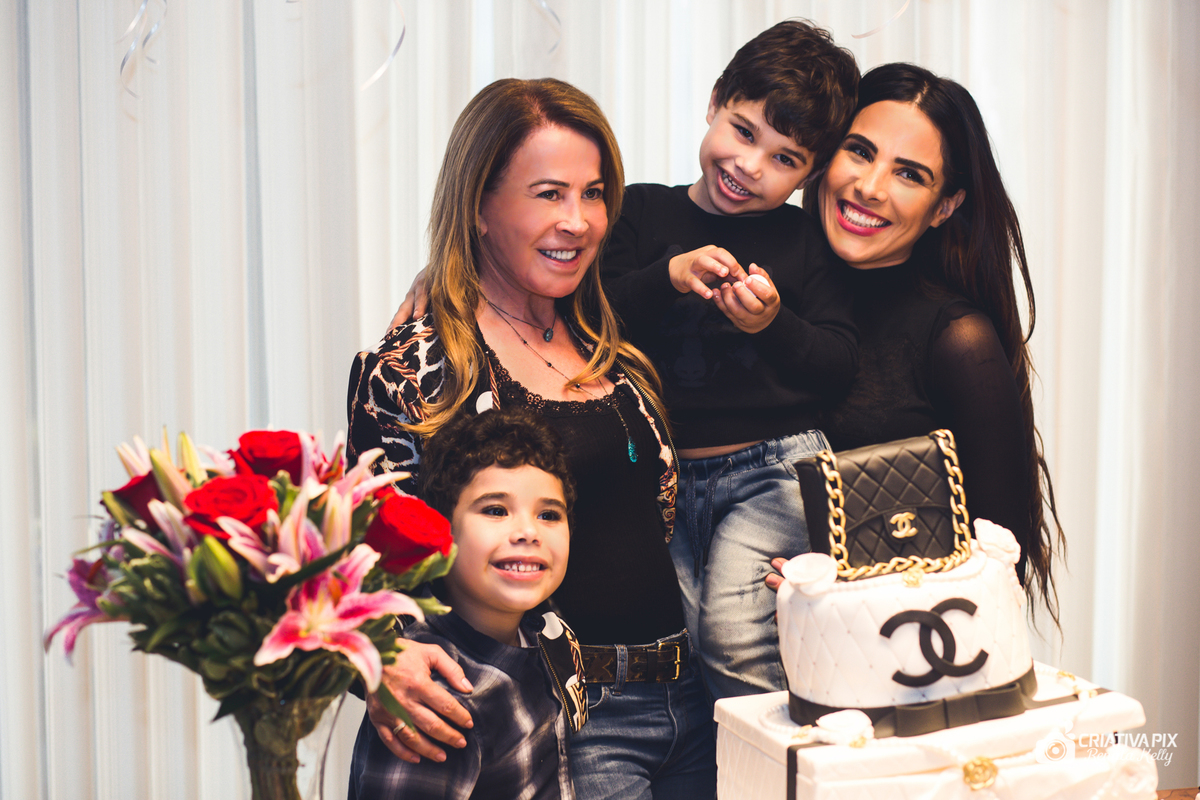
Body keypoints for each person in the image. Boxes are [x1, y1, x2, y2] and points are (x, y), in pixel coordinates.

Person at [347, 78, 716, 799]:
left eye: (593, 194)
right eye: (549, 194)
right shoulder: (419, 370)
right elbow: (363, 561)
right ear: (479, 207)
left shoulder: (615, 346)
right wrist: (381, 659)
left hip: (691, 702)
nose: (577, 221)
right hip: (571, 715)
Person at [598, 19, 859, 700]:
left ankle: (788, 758)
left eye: (784, 159)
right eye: (743, 132)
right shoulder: (639, 212)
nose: (750, 166)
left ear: (810, 174)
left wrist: (773, 324)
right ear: (715, 101)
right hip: (663, 479)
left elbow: (838, 362)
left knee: (733, 639)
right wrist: (669, 274)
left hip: (776, 471)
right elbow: (593, 322)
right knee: (685, 650)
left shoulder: (805, 239)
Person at [766, 63, 1063, 615]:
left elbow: (1001, 568)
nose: (870, 187)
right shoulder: (759, 291)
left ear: (944, 206)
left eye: (909, 174)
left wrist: (842, 587)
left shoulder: (958, 342)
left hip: (872, 650)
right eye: (859, 151)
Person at [349, 407, 581, 800]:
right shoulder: (431, 696)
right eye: (496, 510)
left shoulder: (549, 630)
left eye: (548, 514)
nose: (528, 531)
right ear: (443, 531)